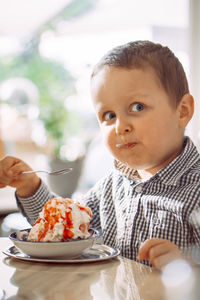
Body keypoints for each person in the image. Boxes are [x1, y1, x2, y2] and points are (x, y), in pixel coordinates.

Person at [0, 40, 199, 271]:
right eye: (109, 115)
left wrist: (189, 269)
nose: (120, 126)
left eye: (138, 107)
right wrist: (30, 185)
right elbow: (61, 229)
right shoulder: (110, 187)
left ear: (182, 111)